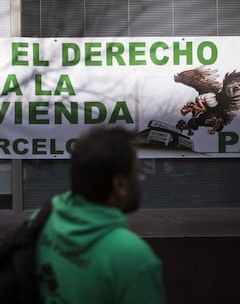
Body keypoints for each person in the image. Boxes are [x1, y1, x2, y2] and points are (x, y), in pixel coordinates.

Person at [36, 126, 165, 304]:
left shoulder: (41, 221)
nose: (140, 180)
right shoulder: (134, 258)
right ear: (119, 184)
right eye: (137, 173)